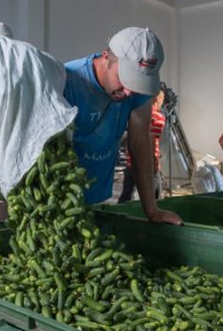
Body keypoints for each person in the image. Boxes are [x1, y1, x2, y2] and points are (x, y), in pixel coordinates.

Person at [63, 27, 182, 225]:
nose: (129, 92)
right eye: (124, 78)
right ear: (106, 57)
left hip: (98, 196)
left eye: (137, 84)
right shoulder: (69, 79)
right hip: (57, 199)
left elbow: (139, 143)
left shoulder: (137, 91)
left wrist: (152, 210)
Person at [117, 90, 166, 203]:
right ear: (158, 100)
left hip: (132, 161)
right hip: (148, 163)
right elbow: (152, 139)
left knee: (126, 195)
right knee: (154, 196)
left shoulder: (135, 115)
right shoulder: (159, 118)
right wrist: (155, 162)